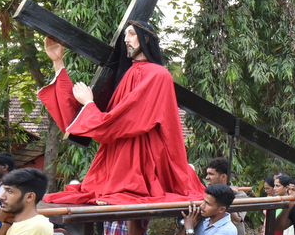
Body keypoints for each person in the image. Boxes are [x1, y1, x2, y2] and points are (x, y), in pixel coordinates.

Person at [39, 26, 203, 205]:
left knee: (127, 202)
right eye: (125, 35)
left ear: (146, 39)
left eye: (132, 34)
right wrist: (58, 63)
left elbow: (127, 121)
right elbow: (80, 119)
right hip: (115, 158)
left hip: (139, 159)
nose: (126, 39)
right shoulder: (127, 74)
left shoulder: (158, 74)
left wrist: (89, 104)